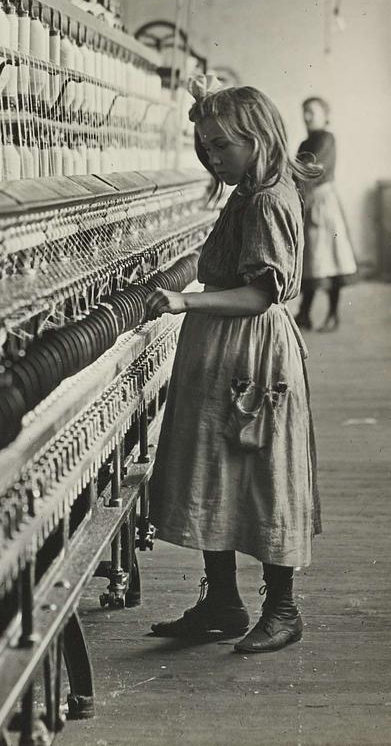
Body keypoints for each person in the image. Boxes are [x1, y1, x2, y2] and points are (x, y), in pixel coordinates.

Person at [145, 78, 322, 654]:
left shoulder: (268, 199)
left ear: (259, 138)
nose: (211, 156)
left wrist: (181, 300)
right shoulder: (248, 191)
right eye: (204, 145)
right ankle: (221, 602)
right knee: (213, 469)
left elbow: (258, 296)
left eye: (222, 145)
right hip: (224, 349)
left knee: (263, 474)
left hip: (250, 349)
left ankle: (283, 609)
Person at [295, 97, 357, 332]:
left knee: (331, 259)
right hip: (309, 202)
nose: (307, 116)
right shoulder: (304, 142)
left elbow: (313, 169)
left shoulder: (326, 138)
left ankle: (333, 314)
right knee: (312, 259)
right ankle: (305, 313)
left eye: (312, 112)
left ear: (325, 115)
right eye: (305, 112)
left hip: (323, 203)